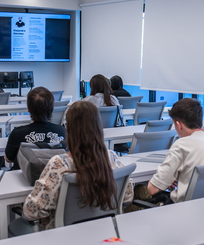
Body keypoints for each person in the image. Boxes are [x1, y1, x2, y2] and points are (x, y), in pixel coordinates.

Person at [10, 101, 134, 236]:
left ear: (69, 130)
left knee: (15, 225)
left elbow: (32, 212)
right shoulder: (112, 157)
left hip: (62, 236)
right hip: (103, 232)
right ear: (99, 126)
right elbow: (127, 197)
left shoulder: (59, 165)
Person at [5, 87, 66, 169]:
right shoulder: (63, 132)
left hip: (24, 178)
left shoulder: (18, 133)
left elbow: (8, 159)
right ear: (52, 109)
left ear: (28, 109)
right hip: (53, 178)